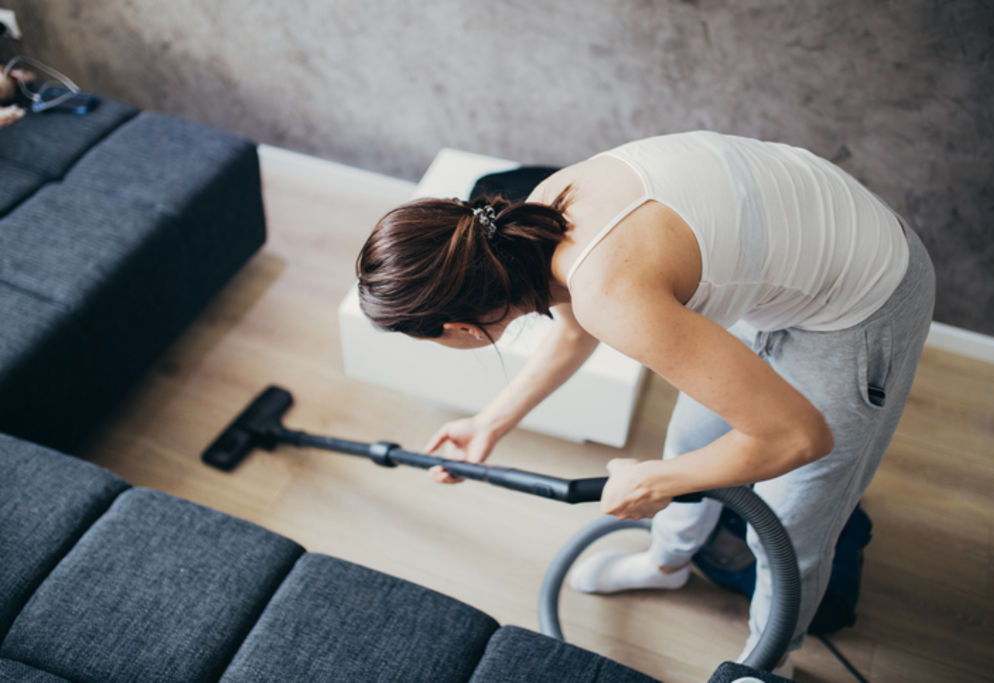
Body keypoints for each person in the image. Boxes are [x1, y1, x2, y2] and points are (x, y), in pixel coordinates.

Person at [355, 131, 935, 670]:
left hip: (864, 301)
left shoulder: (611, 292)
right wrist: (491, 421)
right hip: (785, 270)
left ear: (458, 327)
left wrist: (657, 482)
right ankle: (668, 564)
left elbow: (799, 437)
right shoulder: (526, 222)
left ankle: (771, 662)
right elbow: (576, 328)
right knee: (692, 442)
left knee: (787, 523)